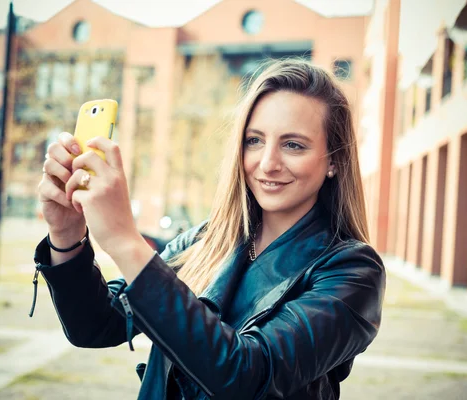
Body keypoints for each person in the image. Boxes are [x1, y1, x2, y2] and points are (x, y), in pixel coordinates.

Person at [32, 59, 386, 399]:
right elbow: (95, 325)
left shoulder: (353, 271)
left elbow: (244, 374)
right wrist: (66, 237)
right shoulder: (205, 241)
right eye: (254, 140)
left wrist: (125, 240)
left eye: (293, 145)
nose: (268, 163)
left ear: (334, 161)